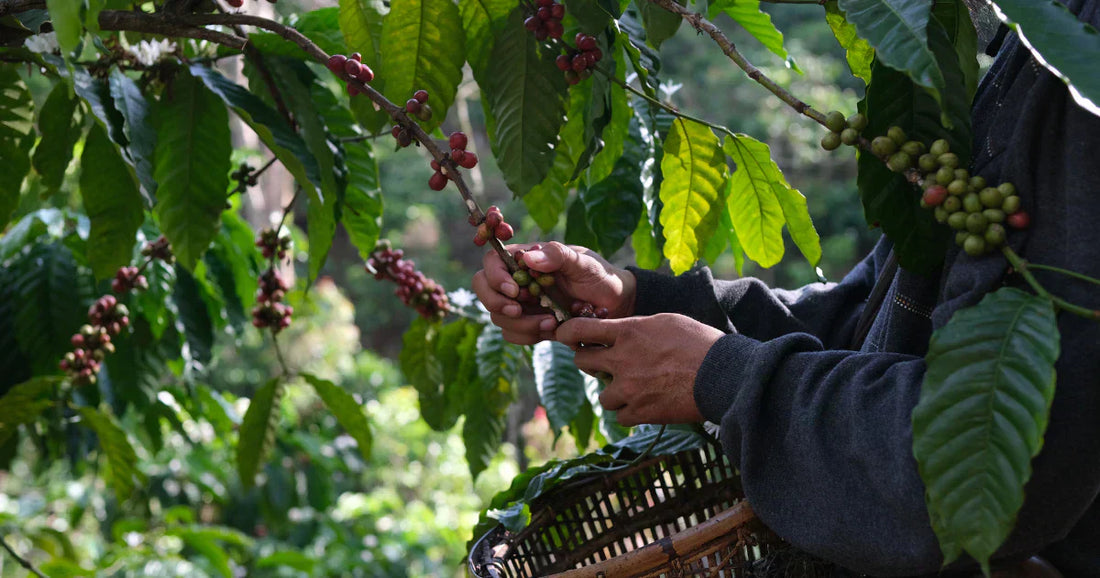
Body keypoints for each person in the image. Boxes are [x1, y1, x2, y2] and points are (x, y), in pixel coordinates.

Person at [471, 1, 1100, 575]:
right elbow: (876, 322)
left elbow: (985, 466)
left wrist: (722, 376)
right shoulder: (1033, 46)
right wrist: (641, 300)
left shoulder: (1082, 79)